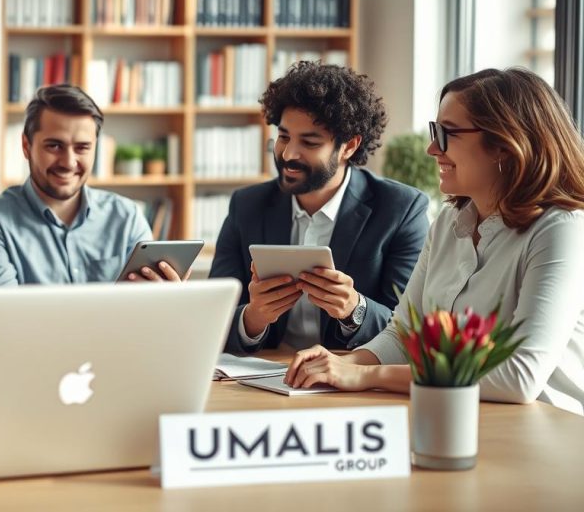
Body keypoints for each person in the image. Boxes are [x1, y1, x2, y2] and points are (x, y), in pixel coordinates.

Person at [285, 68, 584, 415]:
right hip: (456, 415)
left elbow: (520, 376)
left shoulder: (563, 229)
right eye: (434, 132)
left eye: (446, 134)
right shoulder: (448, 222)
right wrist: (339, 365)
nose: (431, 148)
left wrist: (365, 375)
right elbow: (403, 335)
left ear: (504, 144)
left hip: (545, 427)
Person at [210, 61, 429, 354]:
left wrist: (354, 309)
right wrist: (253, 317)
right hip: (264, 371)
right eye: (284, 137)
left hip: (349, 374)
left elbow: (410, 331)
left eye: (310, 142)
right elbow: (212, 317)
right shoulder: (247, 205)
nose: (289, 154)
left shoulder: (401, 210)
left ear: (349, 146)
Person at [0, 84, 184, 284]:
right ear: (26, 146)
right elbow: (4, 312)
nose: (68, 163)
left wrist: (166, 298)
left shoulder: (127, 218)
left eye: (82, 148)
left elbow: (146, 307)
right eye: (54, 146)